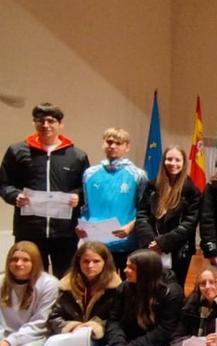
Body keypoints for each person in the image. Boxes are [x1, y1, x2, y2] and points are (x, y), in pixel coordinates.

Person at [0, 103, 89, 277]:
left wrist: (78, 197)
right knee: (29, 278)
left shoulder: (76, 155)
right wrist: (14, 196)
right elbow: (3, 183)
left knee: (66, 279)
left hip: (65, 231)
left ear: (60, 124)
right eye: (40, 121)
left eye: (51, 121)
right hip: (29, 230)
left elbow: (86, 188)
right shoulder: (17, 151)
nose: (45, 125)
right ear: (34, 123)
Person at [79, 128, 147, 270]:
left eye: (118, 143)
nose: (113, 146)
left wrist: (131, 226)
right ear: (103, 144)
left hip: (125, 241)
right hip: (95, 242)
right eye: (109, 142)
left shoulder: (138, 175)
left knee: (124, 286)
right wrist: (81, 225)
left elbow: (143, 209)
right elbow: (84, 205)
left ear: (127, 147)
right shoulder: (89, 174)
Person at [135, 146, 201, 287]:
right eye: (169, 159)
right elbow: (142, 215)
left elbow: (189, 223)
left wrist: (163, 243)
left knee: (174, 289)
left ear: (184, 164)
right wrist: (151, 242)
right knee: (148, 288)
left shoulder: (192, 192)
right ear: (163, 161)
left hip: (178, 250)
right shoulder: (151, 187)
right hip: (150, 248)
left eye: (177, 160)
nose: (173, 163)